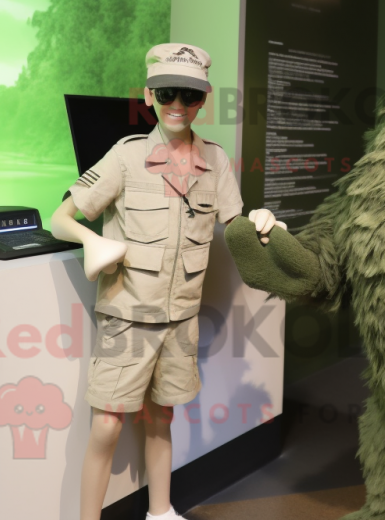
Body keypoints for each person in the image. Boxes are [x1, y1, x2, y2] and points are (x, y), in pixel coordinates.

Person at [51, 43, 284, 520]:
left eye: (190, 95)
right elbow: (61, 218)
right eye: (166, 93)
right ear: (150, 94)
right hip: (127, 320)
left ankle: (161, 511)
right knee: (108, 426)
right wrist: (90, 242)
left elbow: (233, 222)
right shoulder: (126, 156)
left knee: (163, 416)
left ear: (203, 99)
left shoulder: (214, 161)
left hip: (181, 319)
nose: (177, 105)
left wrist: (259, 217)